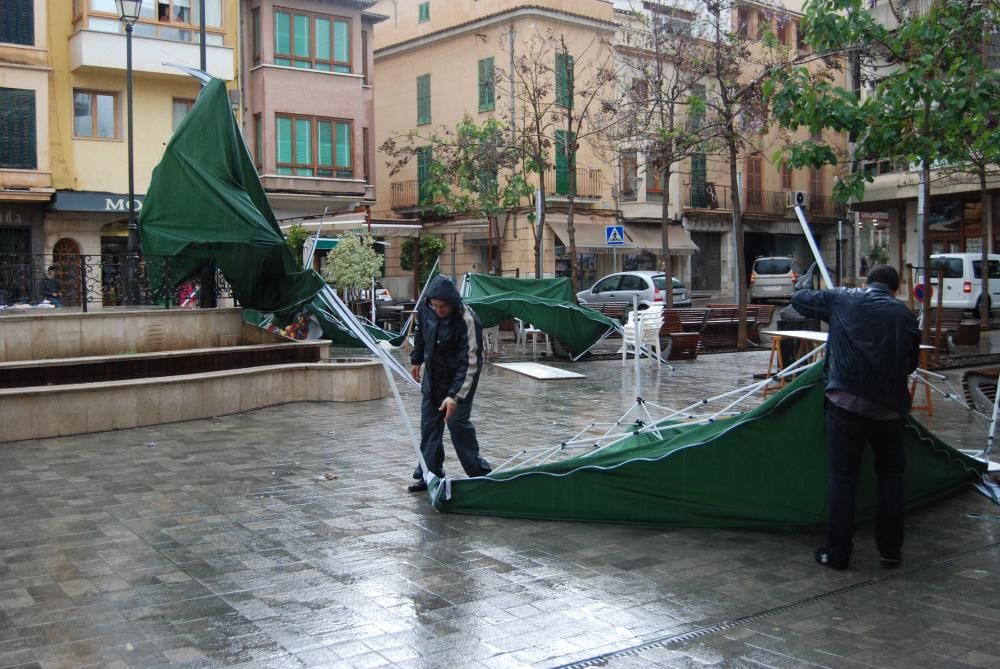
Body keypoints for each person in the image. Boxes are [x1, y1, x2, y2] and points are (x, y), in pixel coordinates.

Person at [792, 265, 921, 570]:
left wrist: (806, 284)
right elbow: (910, 364)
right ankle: (890, 550)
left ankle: (837, 554)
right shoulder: (905, 316)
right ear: (895, 288)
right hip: (889, 410)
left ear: (867, 282)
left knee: (843, 478)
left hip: (846, 404)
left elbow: (800, 299)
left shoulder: (844, 299)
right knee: (891, 477)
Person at [408, 275, 491, 492]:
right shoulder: (427, 307)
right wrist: (416, 359)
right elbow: (420, 332)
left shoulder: (468, 319)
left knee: (457, 423)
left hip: (460, 377)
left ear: (452, 304)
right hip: (434, 376)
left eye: (442, 307)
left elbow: (470, 362)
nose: (438, 310)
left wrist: (454, 396)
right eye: (434, 305)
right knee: (429, 424)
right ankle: (430, 474)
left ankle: (479, 474)